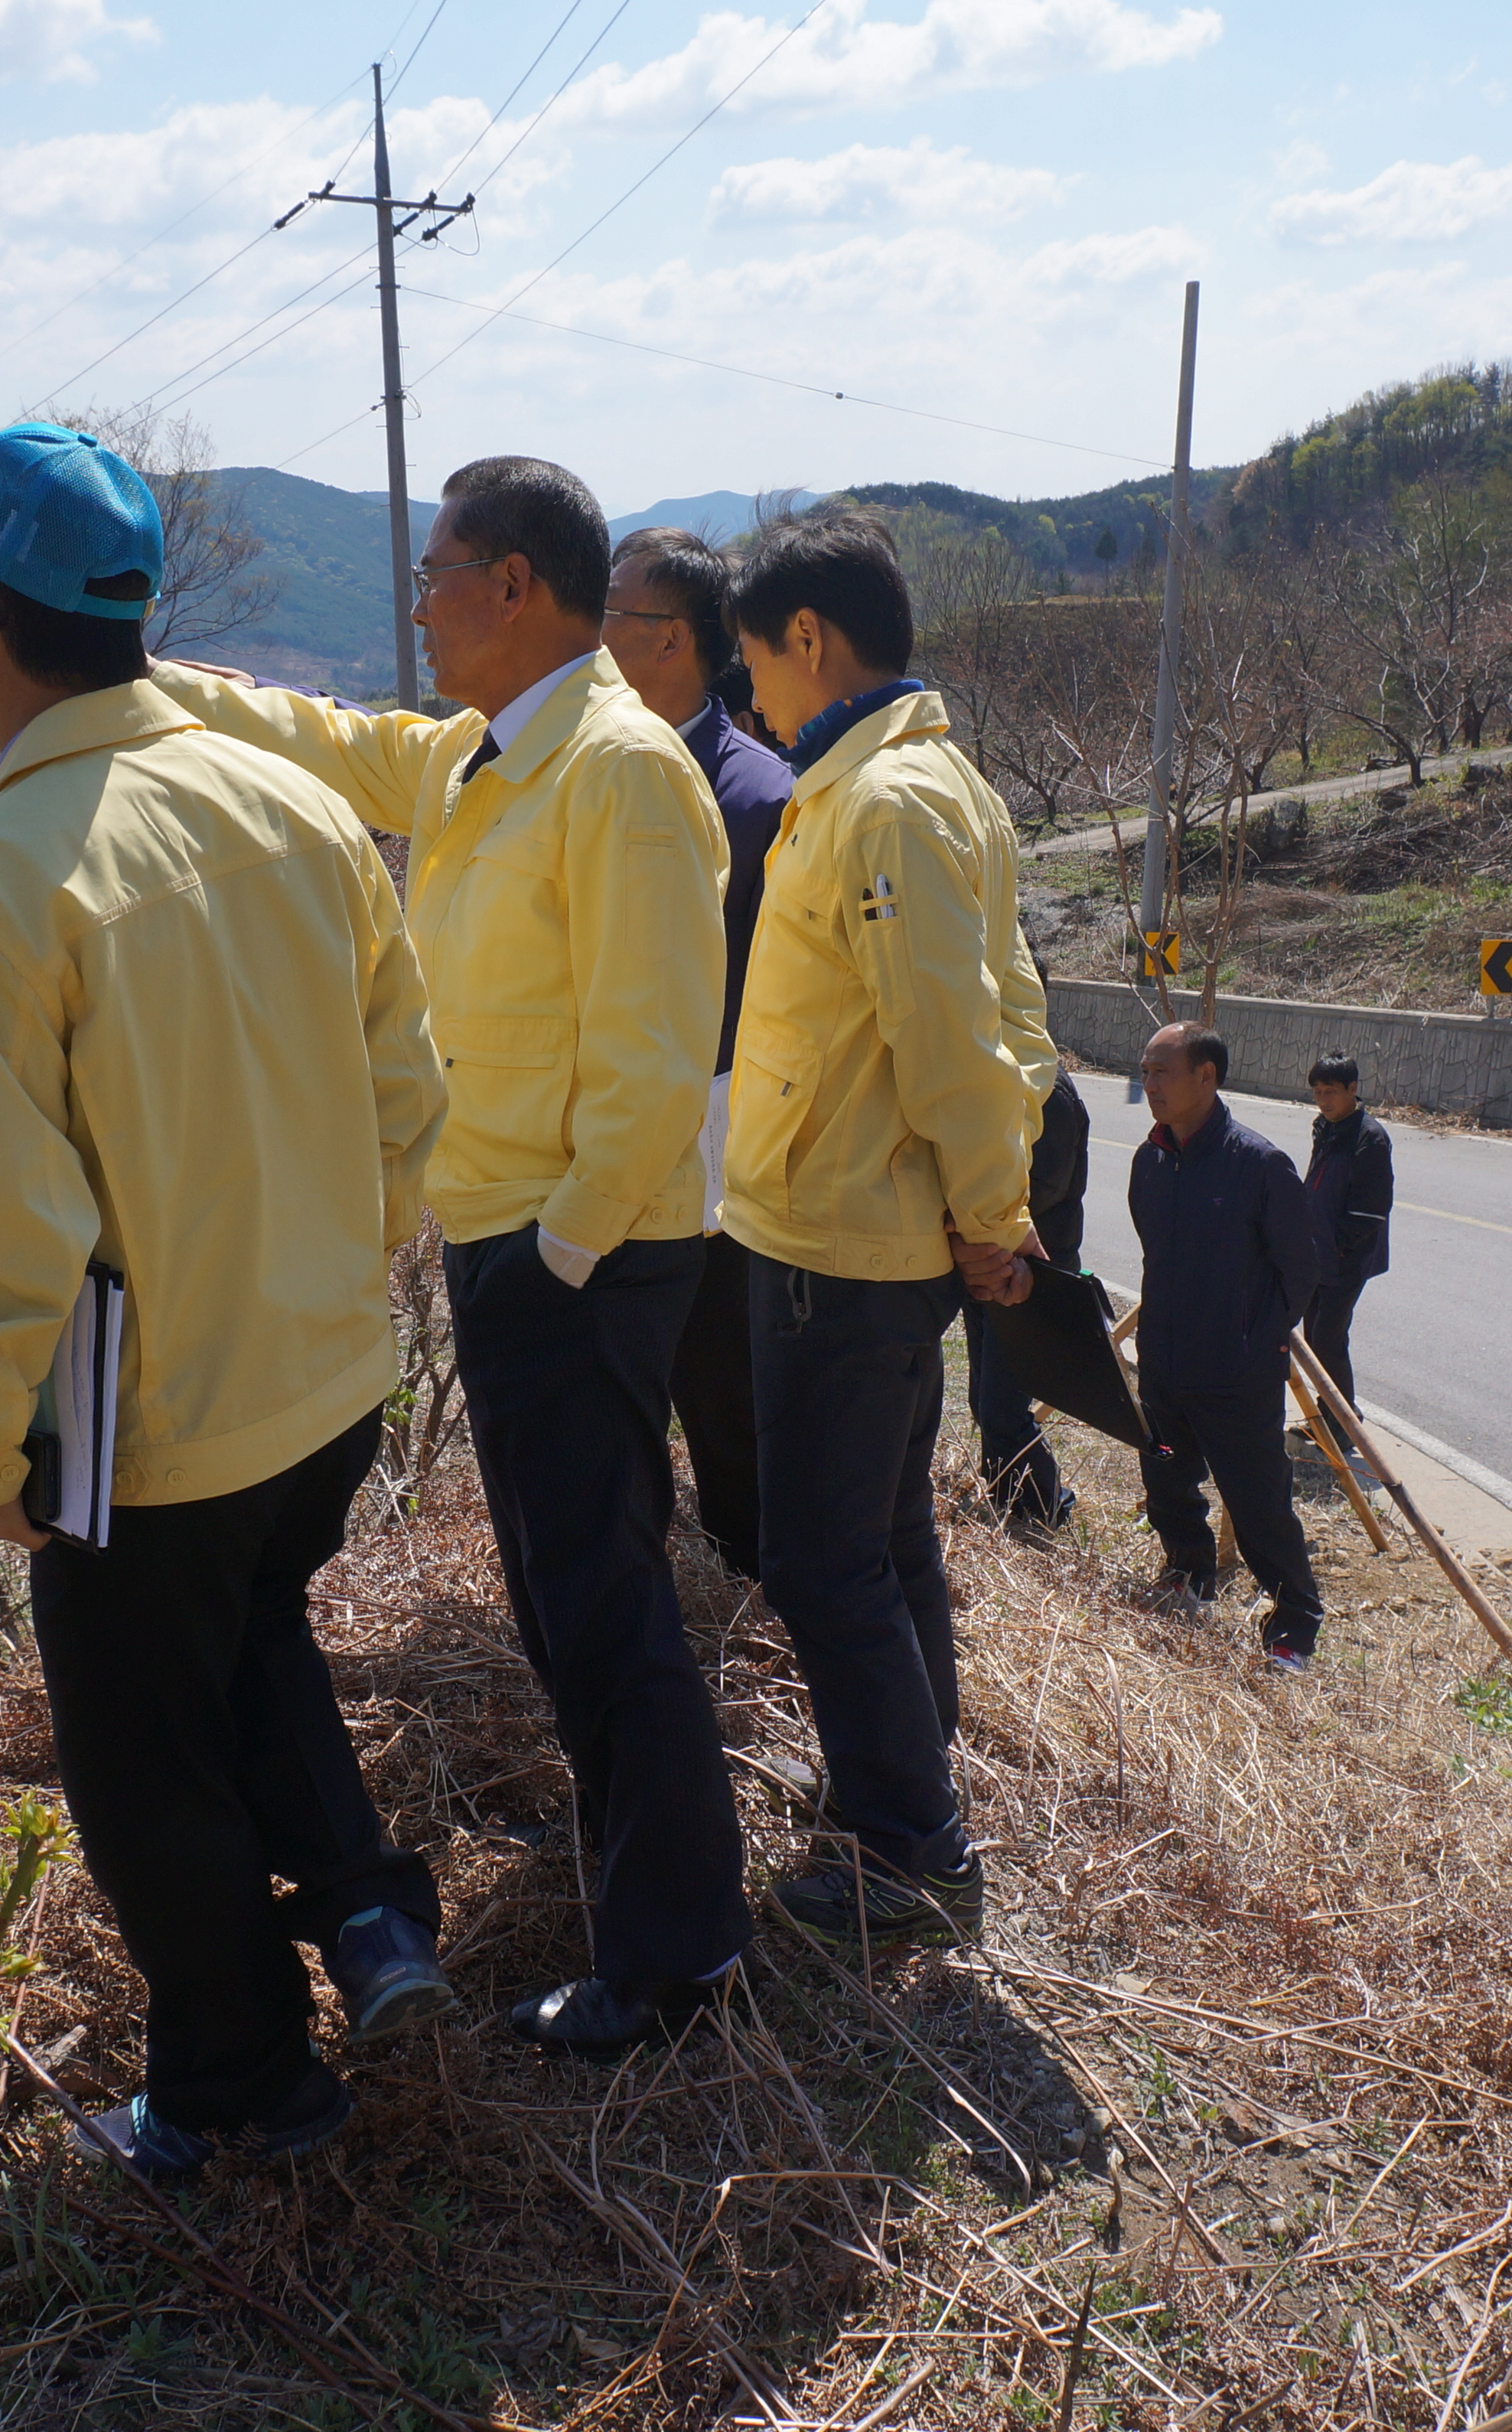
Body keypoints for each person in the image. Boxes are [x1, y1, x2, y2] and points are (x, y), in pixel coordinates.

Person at [0, 425, 451, 2182]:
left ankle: (239, 2083)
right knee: (256, 1632)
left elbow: (7, 1216)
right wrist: (345, 1276)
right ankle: (365, 1916)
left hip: (155, 1432)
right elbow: (405, 1093)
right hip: (326, 1377)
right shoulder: (289, 803)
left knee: (142, 1769)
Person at [152, 460, 748, 2055]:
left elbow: (650, 1060)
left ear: (513, 588)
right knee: (569, 1604)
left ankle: (673, 1961)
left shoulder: (614, 773)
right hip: (511, 1243)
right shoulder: (496, 755)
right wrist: (155, 685)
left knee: (602, 1607)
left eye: (436, 574)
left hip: (577, 1259)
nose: (415, 603)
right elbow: (348, 748)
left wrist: (554, 1253)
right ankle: (652, 1908)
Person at [717, 507, 1054, 1951]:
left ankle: (902, 1841)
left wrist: (994, 1218)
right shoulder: (907, 782)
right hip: (851, 1225)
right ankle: (910, 1773)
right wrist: (984, 1205)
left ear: (810, 637)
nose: (749, 699)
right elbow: (1016, 1018)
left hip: (841, 1242)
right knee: (884, 1527)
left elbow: (958, 1045)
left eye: (754, 666)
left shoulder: (884, 803)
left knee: (818, 1555)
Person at [604, 523, 794, 1583]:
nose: (590, 637)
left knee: (725, 1399)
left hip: (720, 1163)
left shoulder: (757, 799)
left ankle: (754, 1610)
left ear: (673, 638)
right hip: (603, 1154)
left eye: (612, 615)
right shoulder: (587, 774)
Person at [1129, 1022, 1328, 1671]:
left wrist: (1253, 1341)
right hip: (1163, 1364)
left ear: (1206, 1078)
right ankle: (1188, 1575)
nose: (1149, 1084)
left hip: (1236, 1375)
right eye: (1146, 1071)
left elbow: (1299, 1271)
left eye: (1163, 1072)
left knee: (1259, 1503)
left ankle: (1293, 1623)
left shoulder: (1259, 1165)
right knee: (1166, 1480)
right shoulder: (1150, 1160)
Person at [963, 1061, 1088, 1535]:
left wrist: (975, 1217)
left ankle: (1043, 1509)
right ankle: (1006, 1498)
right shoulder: (994, 1072)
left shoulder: (1048, 1090)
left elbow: (1042, 1189)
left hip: (1030, 1278)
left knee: (1003, 1409)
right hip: (990, 1264)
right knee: (983, 1400)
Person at [1300, 1049, 1396, 1439]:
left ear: (1353, 1090)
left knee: (1328, 1339)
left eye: (1331, 1092)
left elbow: (1372, 1211)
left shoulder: (1370, 1138)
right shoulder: (1326, 1127)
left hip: (1346, 1259)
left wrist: (1339, 1249)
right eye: (1318, 1092)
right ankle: (1335, 1414)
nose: (1324, 1100)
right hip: (1316, 1252)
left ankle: (1341, 1426)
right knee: (1313, 1338)